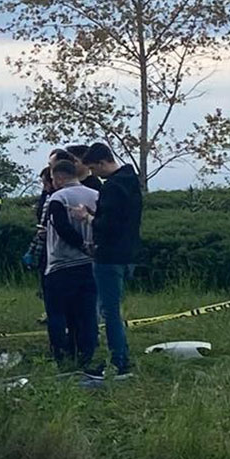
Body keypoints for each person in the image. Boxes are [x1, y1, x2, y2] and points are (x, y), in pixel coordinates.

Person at [74, 142, 142, 381]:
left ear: (103, 163)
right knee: (114, 308)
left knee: (109, 311)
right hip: (126, 253)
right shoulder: (130, 182)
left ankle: (118, 361)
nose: (93, 174)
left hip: (109, 256)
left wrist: (87, 217)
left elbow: (108, 224)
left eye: (93, 169)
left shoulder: (112, 188)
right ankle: (119, 354)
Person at [43, 159, 99, 370]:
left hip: (61, 263)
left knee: (57, 313)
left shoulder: (57, 198)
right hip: (88, 264)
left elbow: (61, 227)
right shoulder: (95, 195)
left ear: (58, 177)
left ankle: (60, 354)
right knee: (86, 313)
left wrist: (80, 245)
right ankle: (86, 353)